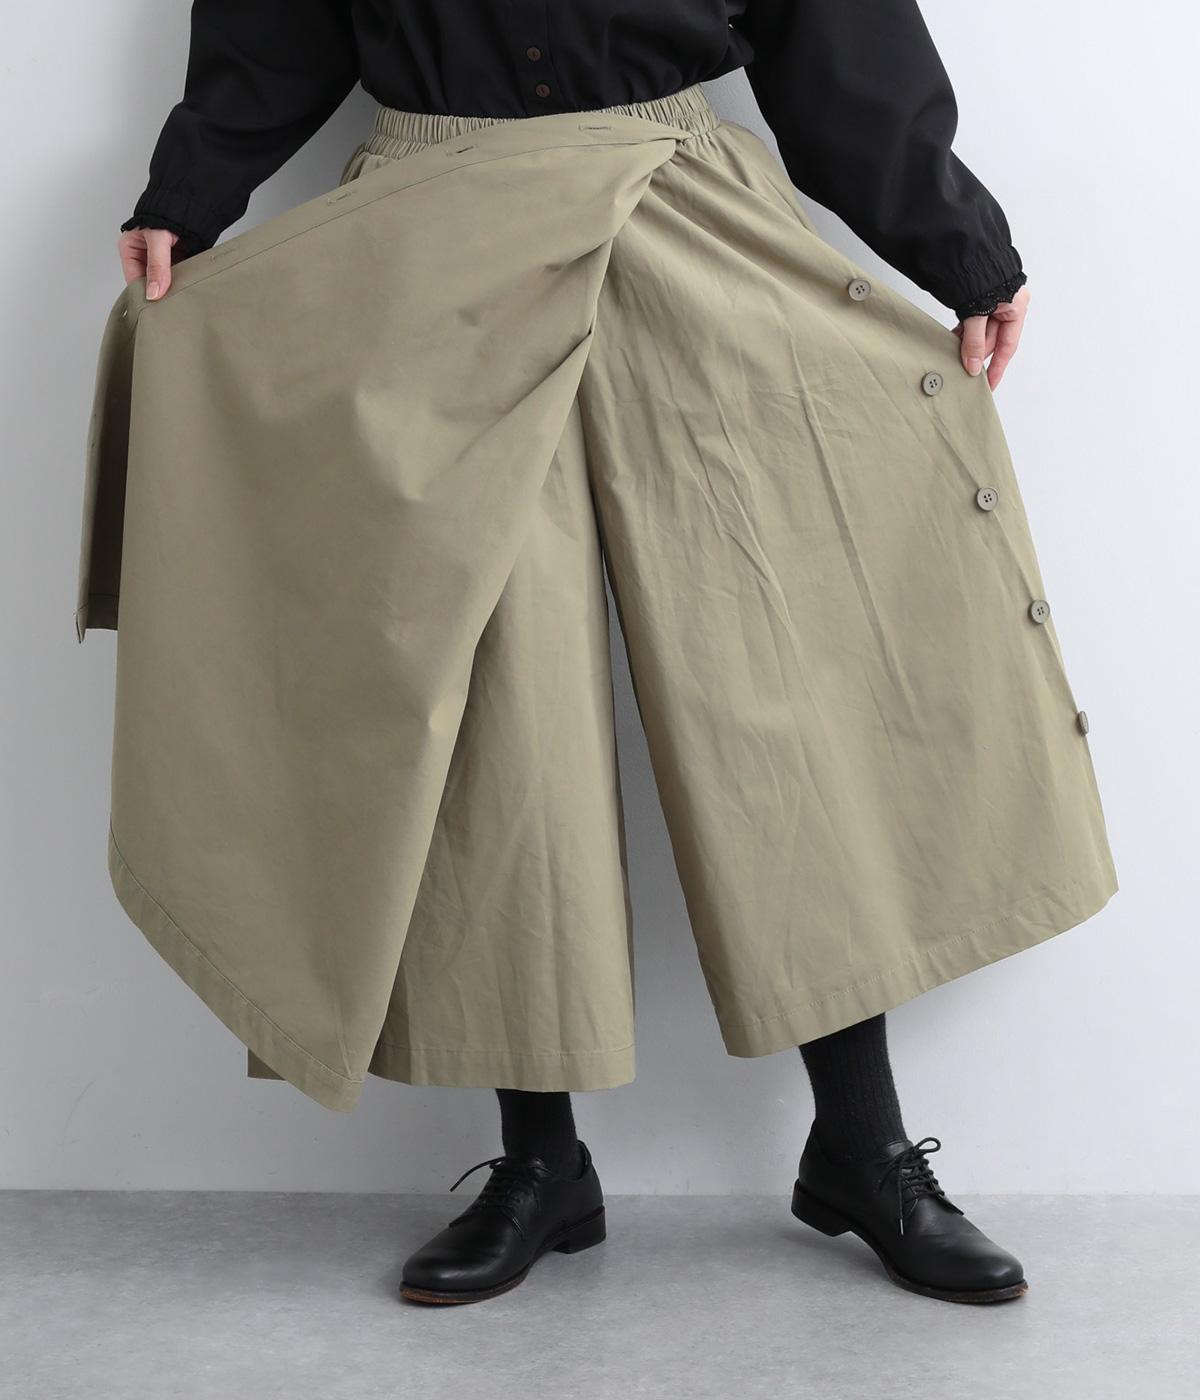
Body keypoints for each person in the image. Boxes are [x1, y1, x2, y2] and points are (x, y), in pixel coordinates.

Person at [108, 2, 1115, 1308]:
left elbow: (832, 31)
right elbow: (279, 21)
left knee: (780, 671)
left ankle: (862, 1147)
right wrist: (190, 192)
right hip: (434, 234)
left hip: (683, 208)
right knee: (493, 702)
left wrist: (960, 245)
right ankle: (542, 1164)